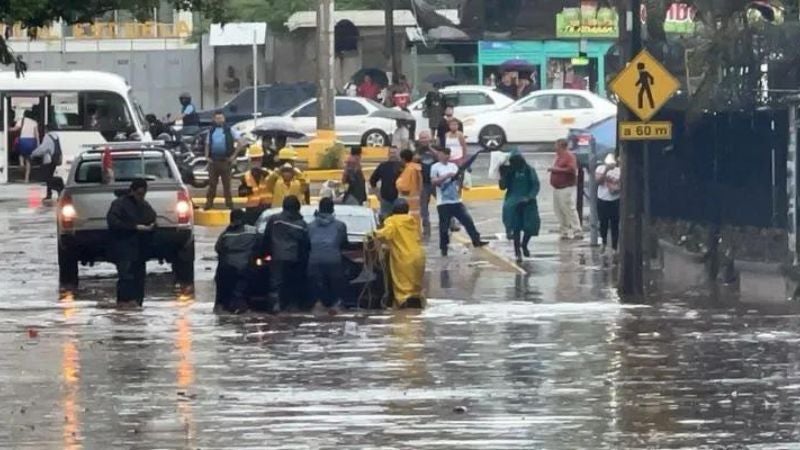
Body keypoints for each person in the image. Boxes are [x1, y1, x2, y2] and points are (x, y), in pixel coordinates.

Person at [106, 179, 156, 307]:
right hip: (123, 247)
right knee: (126, 277)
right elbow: (113, 222)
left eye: (143, 194)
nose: (141, 196)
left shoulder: (144, 205)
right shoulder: (119, 204)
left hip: (139, 249)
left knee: (139, 279)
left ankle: (137, 305)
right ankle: (123, 304)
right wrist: (133, 227)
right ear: (132, 191)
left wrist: (151, 226)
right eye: (139, 193)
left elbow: (152, 218)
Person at [430, 148, 487, 256]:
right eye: (442, 154)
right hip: (443, 202)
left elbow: (459, 179)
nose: (444, 156)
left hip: (456, 200)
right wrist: (447, 176)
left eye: (446, 154)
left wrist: (459, 183)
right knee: (444, 227)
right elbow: (434, 182)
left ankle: (476, 240)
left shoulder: (453, 166)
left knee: (468, 221)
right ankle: (444, 248)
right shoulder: (435, 167)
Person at [374, 200, 426, 308]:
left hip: (403, 257)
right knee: (415, 286)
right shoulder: (412, 221)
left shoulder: (392, 221)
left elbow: (387, 233)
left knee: (403, 287)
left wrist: (372, 234)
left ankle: (404, 305)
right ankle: (417, 302)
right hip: (419, 256)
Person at [262, 195, 310, 311]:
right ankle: (292, 305)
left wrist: (265, 254)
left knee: (276, 283)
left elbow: (266, 238)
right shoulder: (301, 224)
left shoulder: (274, 220)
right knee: (292, 283)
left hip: (277, 256)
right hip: (294, 258)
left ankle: (275, 305)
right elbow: (306, 244)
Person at [307, 198, 350, 310]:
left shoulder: (310, 226)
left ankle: (318, 303)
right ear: (332, 210)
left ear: (319, 209)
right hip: (334, 260)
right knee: (337, 284)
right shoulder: (340, 226)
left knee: (316, 287)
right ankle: (336, 303)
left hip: (314, 261)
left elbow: (307, 244)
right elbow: (344, 243)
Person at [500, 151, 541, 262]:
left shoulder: (529, 170)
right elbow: (503, 187)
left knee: (530, 227)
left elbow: (536, 185)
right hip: (513, 202)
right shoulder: (510, 171)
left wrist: (529, 197)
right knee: (516, 228)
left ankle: (524, 244)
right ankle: (517, 252)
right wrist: (502, 176)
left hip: (528, 202)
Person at [214, 209, 258, 313]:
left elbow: (218, 248)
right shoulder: (252, 231)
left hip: (228, 267)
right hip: (246, 267)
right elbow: (261, 243)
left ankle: (223, 306)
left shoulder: (226, 234)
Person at [204, 112, 242, 210]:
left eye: (221, 118)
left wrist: (233, 156)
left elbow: (240, 142)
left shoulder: (230, 130)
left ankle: (229, 204)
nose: (219, 120)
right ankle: (209, 203)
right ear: (214, 119)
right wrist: (206, 156)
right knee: (212, 184)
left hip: (226, 161)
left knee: (227, 185)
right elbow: (207, 143)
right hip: (213, 161)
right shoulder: (211, 131)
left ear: (224, 119)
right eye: (217, 118)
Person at [549, 139, 582, 240]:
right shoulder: (558, 157)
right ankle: (564, 231)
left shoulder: (569, 156)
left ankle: (577, 230)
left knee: (568, 208)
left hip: (566, 187)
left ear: (562, 147)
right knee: (559, 210)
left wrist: (556, 170)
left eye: (556, 147)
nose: (555, 149)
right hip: (557, 188)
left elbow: (572, 169)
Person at [596, 153, 621, 252]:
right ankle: (604, 242)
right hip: (602, 199)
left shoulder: (619, 170)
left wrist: (615, 187)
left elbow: (621, 184)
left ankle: (614, 247)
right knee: (603, 222)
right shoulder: (600, 168)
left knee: (615, 223)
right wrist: (606, 169)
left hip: (615, 200)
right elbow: (598, 181)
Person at [415, 131, 438, 237]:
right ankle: (426, 225)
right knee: (423, 206)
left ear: (430, 138)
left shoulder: (436, 147)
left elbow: (440, 157)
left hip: (436, 181)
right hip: (423, 182)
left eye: (425, 138)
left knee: (443, 202)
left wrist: (430, 149)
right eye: (421, 138)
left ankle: (450, 221)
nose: (423, 140)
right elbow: (412, 160)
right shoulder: (416, 149)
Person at [30, 126, 63, 201]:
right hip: (55, 159)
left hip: (48, 160)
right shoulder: (56, 136)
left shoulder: (47, 137)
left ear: (46, 130)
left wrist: (33, 153)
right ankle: (49, 194)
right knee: (49, 176)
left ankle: (58, 188)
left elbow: (43, 148)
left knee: (47, 178)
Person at [369, 146, 403, 219]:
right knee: (385, 220)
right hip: (385, 199)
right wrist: (377, 193)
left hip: (399, 199)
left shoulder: (403, 166)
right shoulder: (383, 166)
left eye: (394, 153)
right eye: (390, 153)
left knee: (399, 220)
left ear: (398, 154)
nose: (392, 155)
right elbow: (373, 180)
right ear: (388, 154)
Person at [396, 149, 423, 226]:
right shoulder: (416, 168)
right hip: (415, 206)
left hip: (408, 206)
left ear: (403, 159)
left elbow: (405, 189)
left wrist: (398, 182)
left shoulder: (409, 170)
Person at [12, 109, 40, 183]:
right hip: (31, 141)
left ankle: (21, 164)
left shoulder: (21, 120)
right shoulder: (34, 122)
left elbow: (15, 129)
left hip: (23, 140)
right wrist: (38, 143)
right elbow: (36, 134)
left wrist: (7, 129)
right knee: (28, 160)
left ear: (24, 115)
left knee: (21, 154)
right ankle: (26, 179)